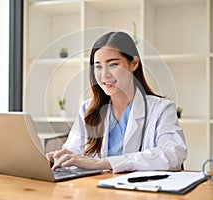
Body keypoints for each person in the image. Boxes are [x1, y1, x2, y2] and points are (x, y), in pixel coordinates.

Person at [46, 31, 187, 173]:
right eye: (98, 66)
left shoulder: (161, 109)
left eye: (113, 64)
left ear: (134, 64)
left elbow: (172, 155)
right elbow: (74, 152)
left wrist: (104, 163)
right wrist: (60, 158)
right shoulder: (87, 109)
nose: (104, 74)